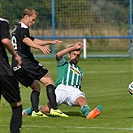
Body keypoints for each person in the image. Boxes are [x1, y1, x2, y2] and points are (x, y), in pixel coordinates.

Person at [11, 8, 67, 118]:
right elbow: (26, 40)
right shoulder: (23, 27)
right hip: (25, 61)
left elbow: (32, 40)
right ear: (26, 17)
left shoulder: (16, 29)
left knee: (36, 87)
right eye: (32, 20)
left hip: (15, 65)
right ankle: (54, 109)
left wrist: (51, 42)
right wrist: (40, 47)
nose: (33, 22)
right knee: (49, 81)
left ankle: (35, 111)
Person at [23, 42, 102, 119]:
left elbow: (79, 85)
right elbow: (58, 55)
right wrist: (73, 47)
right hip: (62, 88)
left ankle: (88, 114)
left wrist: (79, 92)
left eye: (78, 55)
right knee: (47, 109)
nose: (76, 57)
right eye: (74, 54)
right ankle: (32, 109)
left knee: (82, 100)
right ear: (69, 55)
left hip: (74, 90)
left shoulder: (80, 71)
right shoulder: (64, 63)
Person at [0, 18, 22, 133]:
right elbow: (5, 41)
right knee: (17, 105)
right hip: (2, 71)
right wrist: (15, 55)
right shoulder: (2, 22)